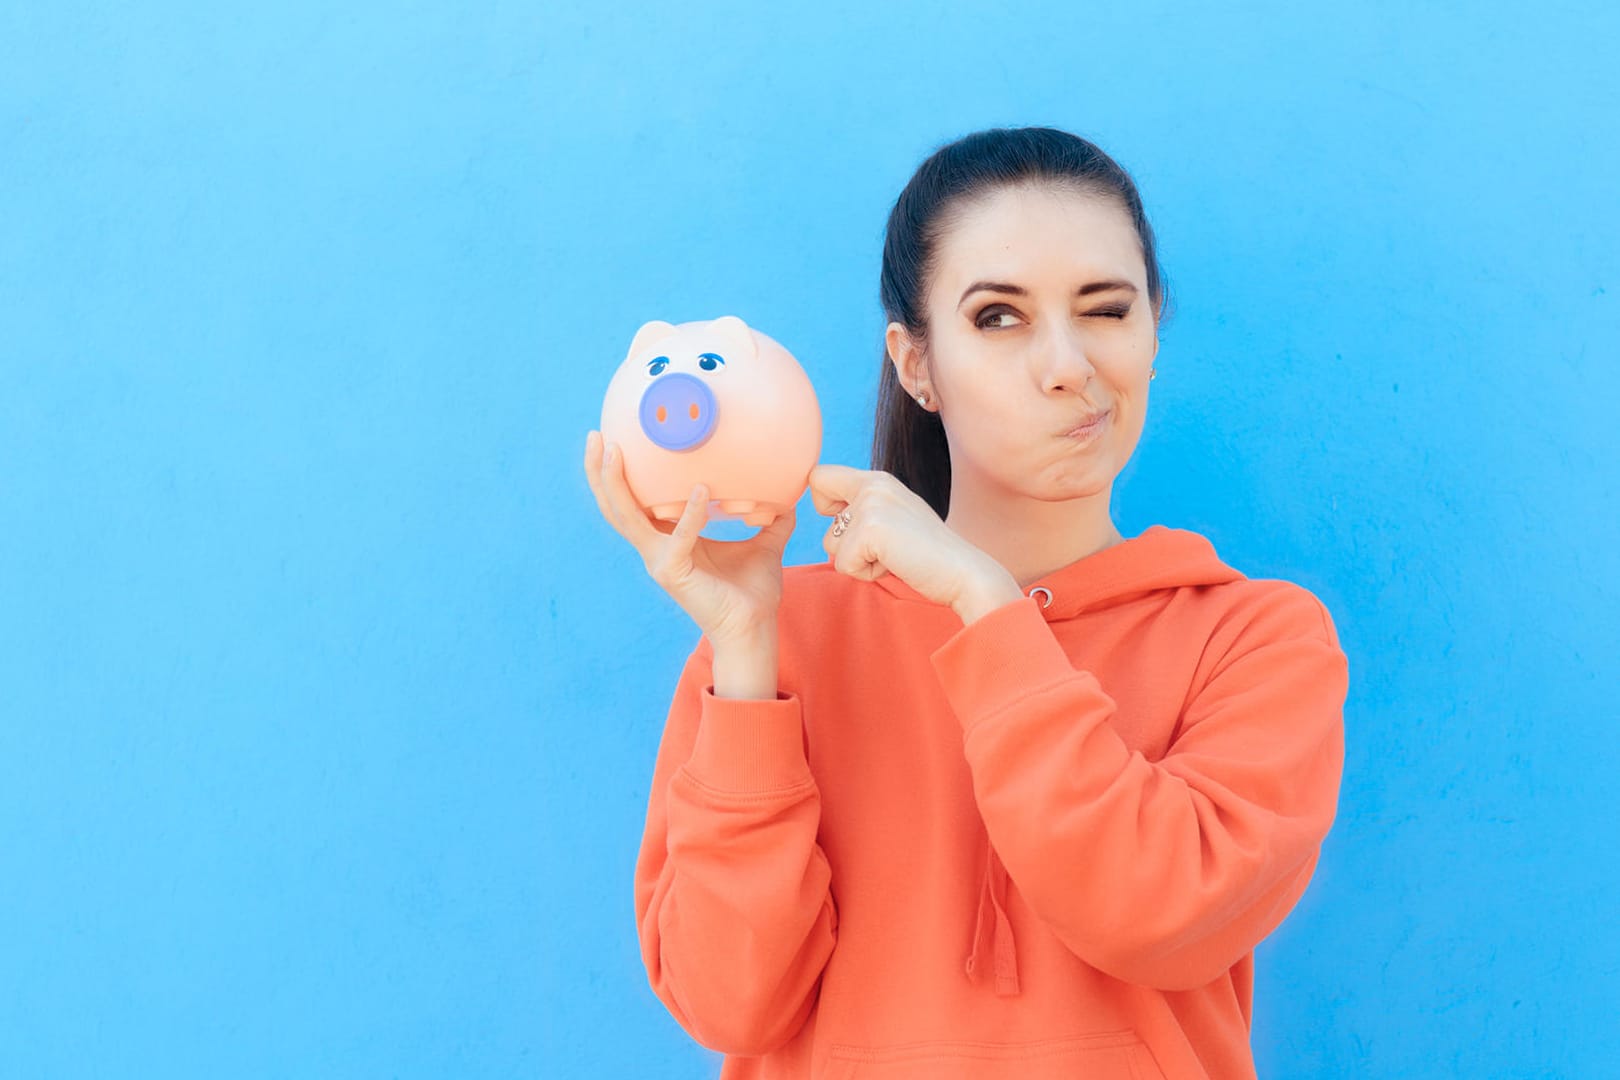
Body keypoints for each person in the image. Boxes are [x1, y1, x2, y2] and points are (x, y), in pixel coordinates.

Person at [582, 125, 1349, 1080]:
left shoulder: (1254, 637)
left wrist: (986, 607)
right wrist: (745, 654)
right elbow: (729, 1000)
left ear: (1153, 333)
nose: (1069, 365)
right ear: (914, 363)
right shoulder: (781, 640)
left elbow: (1158, 915)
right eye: (999, 317)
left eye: (1106, 310)